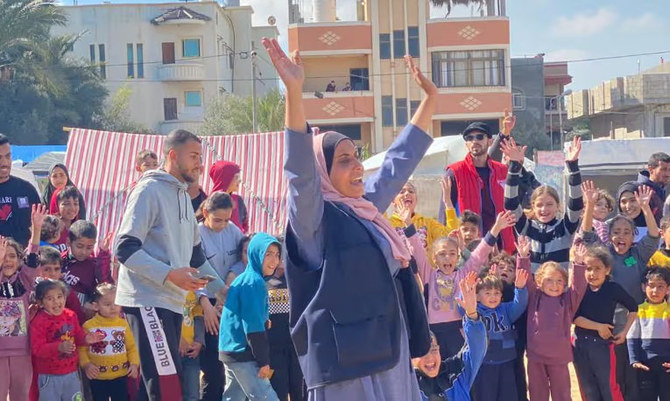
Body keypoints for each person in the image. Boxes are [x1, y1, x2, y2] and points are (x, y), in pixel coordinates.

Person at [266, 34, 433, 400]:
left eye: (357, 156)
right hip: (346, 370)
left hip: (390, 353)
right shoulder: (314, 221)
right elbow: (300, 175)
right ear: (323, 171)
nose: (358, 166)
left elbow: (397, 162)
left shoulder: (365, 210)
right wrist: (295, 91)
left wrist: (430, 101)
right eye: (344, 160)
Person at [114, 128, 227, 400]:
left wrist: (225, 292)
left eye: (200, 156)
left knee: (162, 384)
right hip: (147, 299)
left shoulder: (184, 198)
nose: (199, 163)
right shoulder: (148, 190)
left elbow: (196, 256)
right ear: (173, 155)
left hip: (171, 301)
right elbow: (124, 247)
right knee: (166, 387)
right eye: (193, 156)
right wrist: (169, 275)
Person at [416, 211, 514, 357]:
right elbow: (418, 253)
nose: (447, 257)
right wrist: (407, 223)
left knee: (461, 370)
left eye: (452, 253)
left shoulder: (463, 273)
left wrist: (496, 229)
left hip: (459, 331)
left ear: (457, 257)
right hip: (434, 332)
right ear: (434, 258)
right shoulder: (428, 275)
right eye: (442, 254)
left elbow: (481, 252)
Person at [517, 237, 588, 401]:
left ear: (564, 285)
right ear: (539, 281)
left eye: (559, 281)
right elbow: (525, 278)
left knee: (562, 394)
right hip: (536, 357)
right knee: (537, 394)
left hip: (559, 358)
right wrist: (523, 257)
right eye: (549, 280)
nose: (554, 285)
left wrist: (578, 263)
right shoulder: (534, 297)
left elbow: (578, 287)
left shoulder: (568, 301)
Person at [502, 137, 584, 272]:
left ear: (558, 206)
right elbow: (510, 203)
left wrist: (573, 166)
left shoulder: (565, 227)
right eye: (539, 205)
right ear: (532, 206)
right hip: (533, 290)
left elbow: (576, 203)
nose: (544, 209)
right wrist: (515, 165)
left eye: (549, 204)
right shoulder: (526, 227)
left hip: (557, 289)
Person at [219, 233, 281, 400]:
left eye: (277, 255)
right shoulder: (254, 282)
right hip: (243, 352)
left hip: (231, 350)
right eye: (268, 254)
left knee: (233, 398)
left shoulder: (245, 278)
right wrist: (263, 361)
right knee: (266, 397)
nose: (274, 260)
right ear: (256, 254)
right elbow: (253, 327)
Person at [573, 244, 639, 401]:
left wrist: (624, 332)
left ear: (607, 270)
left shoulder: (613, 288)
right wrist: (598, 327)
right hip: (580, 344)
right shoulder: (579, 289)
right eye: (588, 268)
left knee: (608, 386)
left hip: (602, 346)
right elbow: (574, 317)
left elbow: (633, 308)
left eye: (597, 268)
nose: (592, 273)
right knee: (587, 387)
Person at [439, 122, 515, 254]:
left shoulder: (502, 171)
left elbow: (513, 206)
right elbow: (445, 212)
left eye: (480, 137)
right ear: (466, 144)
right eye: (469, 138)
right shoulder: (455, 172)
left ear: (490, 141)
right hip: (470, 249)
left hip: (502, 247)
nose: (474, 141)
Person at [197, 191, 244, 401]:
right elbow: (193, 268)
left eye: (227, 220)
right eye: (218, 220)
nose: (223, 225)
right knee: (213, 368)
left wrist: (230, 280)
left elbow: (242, 259)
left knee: (232, 364)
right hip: (204, 304)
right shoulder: (195, 234)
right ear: (205, 212)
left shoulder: (233, 231)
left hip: (229, 299)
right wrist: (205, 304)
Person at [413, 272, 487, 401]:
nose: (430, 357)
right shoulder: (408, 383)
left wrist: (472, 315)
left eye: (434, 349)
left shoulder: (456, 371)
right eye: (422, 353)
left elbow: (477, 348)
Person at [30, 279, 104, 401]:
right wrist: (59, 347)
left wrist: (87, 339)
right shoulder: (39, 322)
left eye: (60, 296)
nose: (56, 302)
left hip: (72, 373)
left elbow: (78, 336)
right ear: (40, 302)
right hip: (49, 376)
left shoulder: (71, 315)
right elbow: (37, 349)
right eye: (50, 298)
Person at [0, 205, 43, 400]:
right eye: (3, 256)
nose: (7, 260)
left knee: (20, 396)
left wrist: (36, 230)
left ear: (19, 260)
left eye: (12, 256)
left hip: (22, 352)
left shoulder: (24, 282)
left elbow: (32, 258)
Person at [472, 264, 528, 401]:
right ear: (478, 297)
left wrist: (520, 289)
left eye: (496, 293)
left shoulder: (506, 309)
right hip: (484, 364)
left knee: (508, 396)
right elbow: (463, 308)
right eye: (488, 293)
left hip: (506, 361)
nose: (493, 297)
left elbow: (519, 304)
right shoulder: (474, 311)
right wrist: (469, 289)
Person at [79, 283, 139, 401]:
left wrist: (134, 364)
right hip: (97, 376)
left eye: (116, 303)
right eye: (107, 304)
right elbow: (82, 348)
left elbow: (132, 347)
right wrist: (86, 365)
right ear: (96, 306)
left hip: (120, 375)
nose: (113, 307)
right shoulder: (89, 326)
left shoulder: (123, 324)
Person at [626, 268, 670, 401]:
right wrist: (634, 360)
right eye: (651, 286)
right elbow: (631, 336)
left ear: (668, 289)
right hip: (645, 365)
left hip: (667, 365)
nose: (655, 291)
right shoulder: (638, 310)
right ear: (644, 287)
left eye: (660, 286)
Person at [266, 257, 306, 401]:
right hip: (273, 351)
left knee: (300, 392)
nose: (278, 260)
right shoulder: (261, 283)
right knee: (279, 392)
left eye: (280, 255)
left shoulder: (296, 281)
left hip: (297, 349)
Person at [388, 179, 459, 255]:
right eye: (402, 192)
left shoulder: (427, 223)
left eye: (411, 191)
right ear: (393, 200)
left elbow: (451, 237)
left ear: (416, 200)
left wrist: (448, 202)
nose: (407, 194)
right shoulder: (387, 224)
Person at [61, 220, 113, 317]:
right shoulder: (59, 261)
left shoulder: (94, 265)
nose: (84, 252)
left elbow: (105, 282)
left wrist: (104, 254)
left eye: (89, 247)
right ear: (68, 242)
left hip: (81, 315)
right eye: (79, 246)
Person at [0, 133, 41, 247]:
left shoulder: (26, 189)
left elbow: (40, 227)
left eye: (8, 156)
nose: (4, 163)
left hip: (24, 261)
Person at [209, 161, 249, 233]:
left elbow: (244, 225)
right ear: (226, 178)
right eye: (236, 177)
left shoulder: (238, 200)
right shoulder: (210, 203)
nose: (239, 181)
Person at [179, 290, 204, 401]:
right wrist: (178, 339)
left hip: (191, 352)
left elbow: (198, 317)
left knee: (193, 395)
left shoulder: (193, 293)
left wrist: (199, 341)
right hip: (172, 351)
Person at [636, 152, 670, 217]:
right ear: (651, 170)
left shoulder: (661, 190)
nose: (668, 174)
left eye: (669, 170)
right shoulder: (639, 190)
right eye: (663, 170)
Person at [50, 186, 81, 253]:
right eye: (67, 204)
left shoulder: (80, 230)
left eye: (76, 203)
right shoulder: (49, 232)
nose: (72, 208)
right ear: (56, 206)